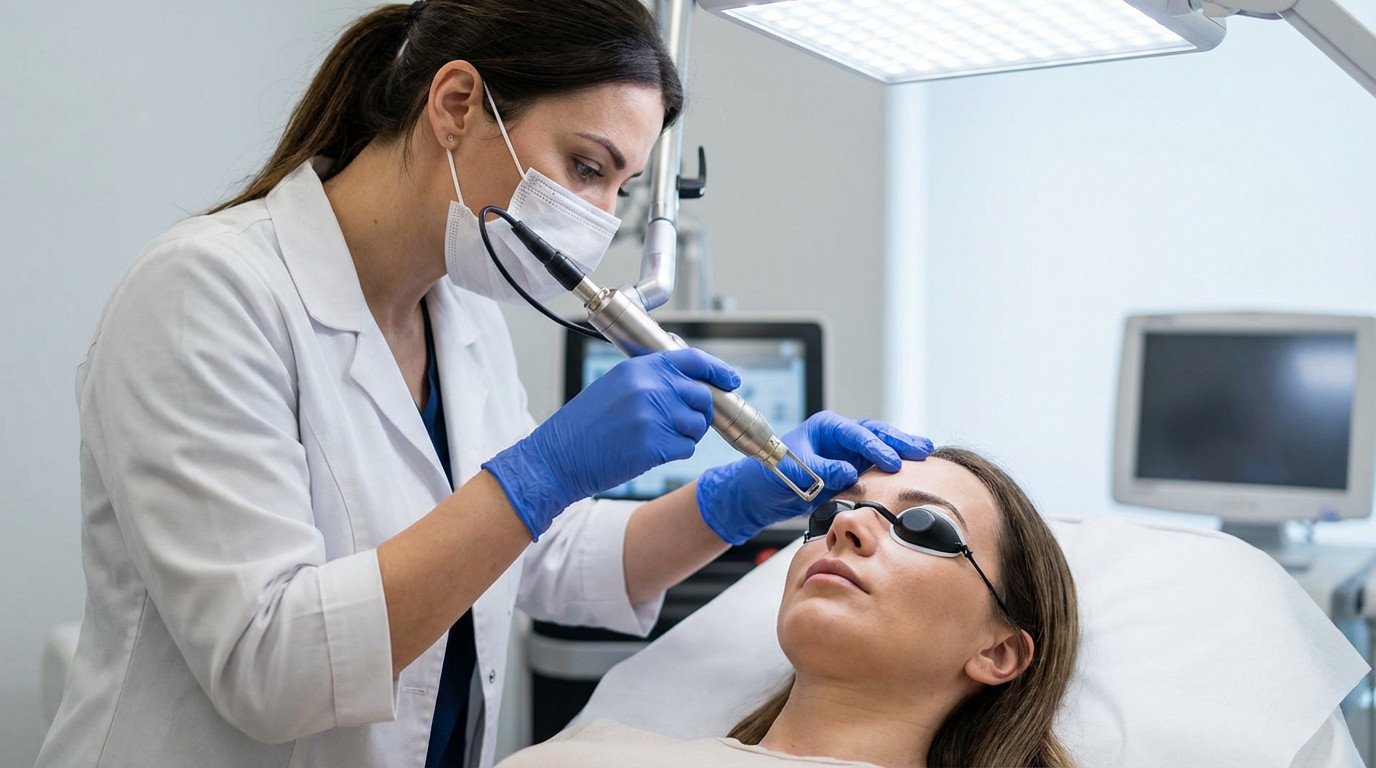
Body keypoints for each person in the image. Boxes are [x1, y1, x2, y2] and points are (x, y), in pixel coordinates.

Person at [36, 2, 931, 767]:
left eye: (621, 188)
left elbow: (533, 555)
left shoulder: (461, 313)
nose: (598, 219)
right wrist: (541, 472)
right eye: (586, 167)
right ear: (456, 104)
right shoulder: (206, 295)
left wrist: (731, 503)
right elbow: (273, 668)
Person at [496, 447, 1081, 768]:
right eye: (830, 513)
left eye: (923, 526)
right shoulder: (593, 752)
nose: (845, 523)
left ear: (998, 651)